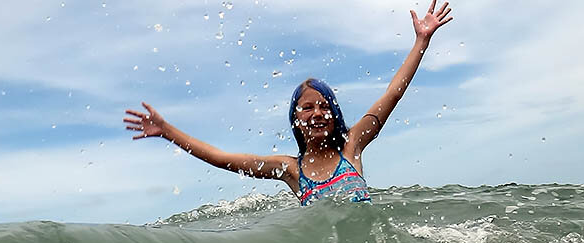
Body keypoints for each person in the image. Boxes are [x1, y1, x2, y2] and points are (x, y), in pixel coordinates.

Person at [124, 1, 453, 205]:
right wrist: (167, 131)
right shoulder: (291, 171)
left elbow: (392, 94)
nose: (318, 113)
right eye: (307, 108)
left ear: (334, 113)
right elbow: (223, 159)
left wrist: (421, 41)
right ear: (295, 119)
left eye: (324, 106)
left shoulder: (352, 146)